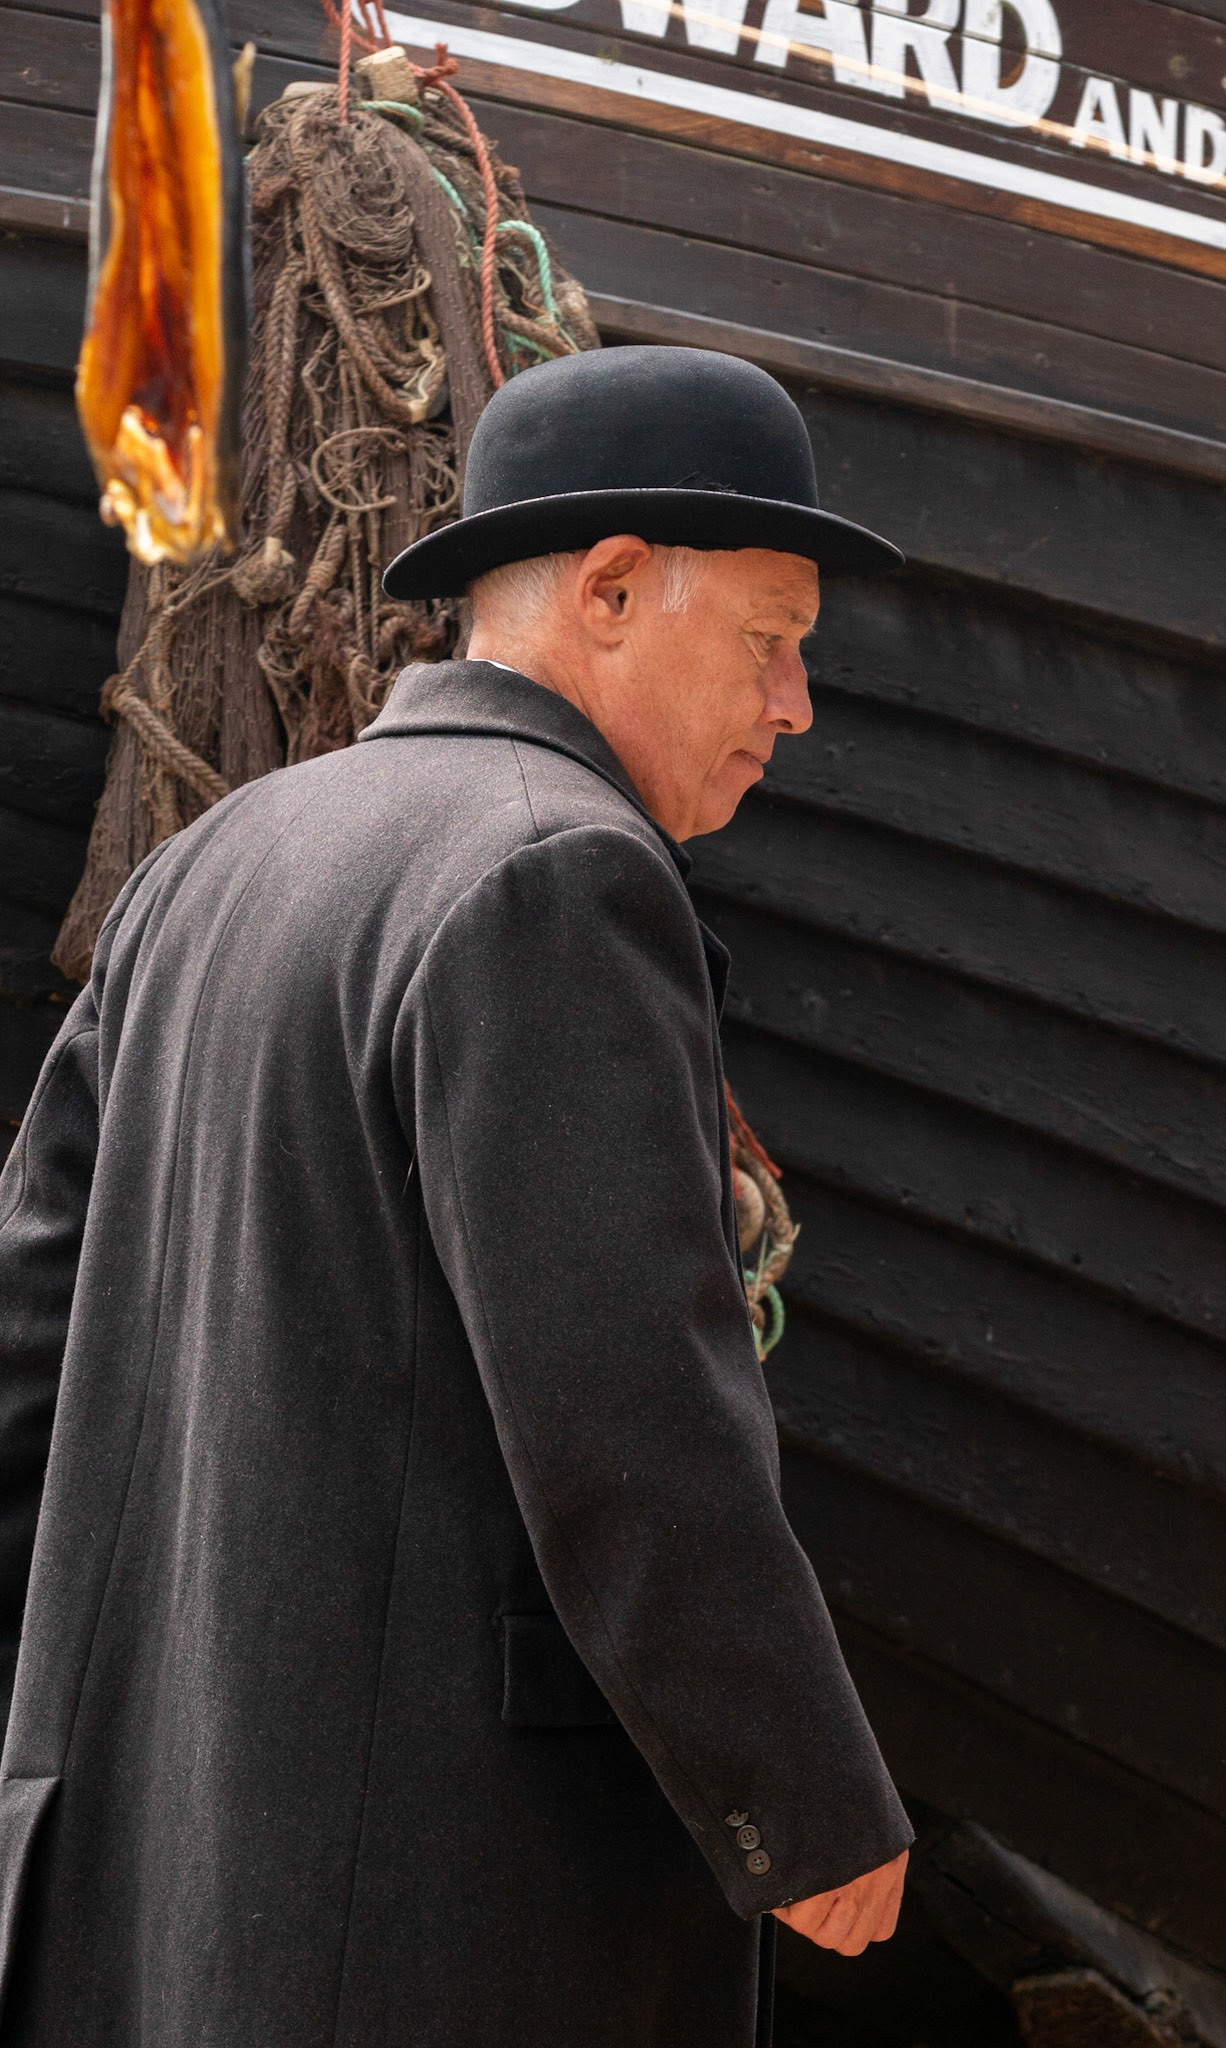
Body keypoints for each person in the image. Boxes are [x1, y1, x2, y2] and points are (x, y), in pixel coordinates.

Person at [0, 346, 912, 2046]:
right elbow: (629, 1412)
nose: (797, 705)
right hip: (437, 1926)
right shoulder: (561, 874)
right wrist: (801, 1800)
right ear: (614, 590)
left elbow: (28, 1356)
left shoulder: (208, 867)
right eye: (773, 641)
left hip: (143, 1905)